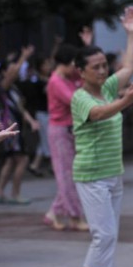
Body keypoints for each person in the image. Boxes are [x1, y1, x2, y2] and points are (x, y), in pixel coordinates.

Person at [70, 6, 133, 267]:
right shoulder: (81, 97)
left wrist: (131, 33)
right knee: (105, 235)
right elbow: (99, 114)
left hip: (113, 172)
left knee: (107, 235)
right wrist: (125, 101)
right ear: (81, 72)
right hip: (90, 174)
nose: (103, 71)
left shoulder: (108, 87)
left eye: (104, 65)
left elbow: (129, 64)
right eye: (96, 67)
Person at [45, 44, 89, 231]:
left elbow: (87, 73)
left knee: (71, 175)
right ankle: (74, 216)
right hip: (60, 132)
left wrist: (86, 47)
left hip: (70, 130)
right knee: (67, 176)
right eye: (74, 64)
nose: (76, 68)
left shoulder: (68, 77)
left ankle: (54, 213)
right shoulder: (56, 81)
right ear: (68, 63)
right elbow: (74, 101)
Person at [0, 45, 38, 205]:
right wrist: (23, 57)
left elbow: (20, 108)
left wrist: (31, 121)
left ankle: (0, 191)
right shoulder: (2, 88)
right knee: (21, 159)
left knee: (11, 160)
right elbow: (13, 73)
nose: (15, 70)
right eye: (11, 68)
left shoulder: (12, 89)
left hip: (10, 128)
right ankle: (14, 193)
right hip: (8, 129)